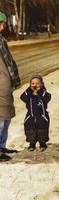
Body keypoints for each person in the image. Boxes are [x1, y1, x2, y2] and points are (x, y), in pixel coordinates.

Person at [0, 10, 20, 161]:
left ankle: (1, 146)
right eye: (0, 24)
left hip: (5, 86)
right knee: (0, 119)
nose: (2, 28)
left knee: (6, 118)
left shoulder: (1, 40)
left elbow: (9, 63)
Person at [20, 75, 51, 151]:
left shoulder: (44, 93)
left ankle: (42, 143)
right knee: (30, 130)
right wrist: (30, 90)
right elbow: (22, 97)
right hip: (31, 116)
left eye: (37, 83)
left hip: (42, 116)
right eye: (33, 83)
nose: (35, 85)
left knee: (42, 129)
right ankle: (32, 144)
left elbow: (47, 98)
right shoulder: (29, 94)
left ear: (41, 84)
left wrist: (39, 91)